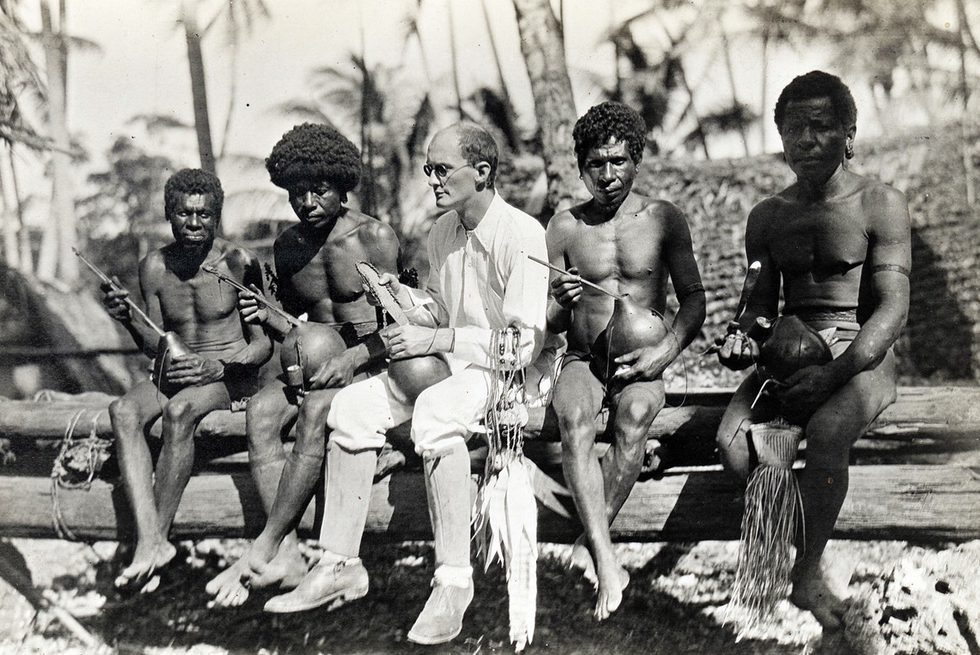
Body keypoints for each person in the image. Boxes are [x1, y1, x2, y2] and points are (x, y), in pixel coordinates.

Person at [261, 122, 549, 645]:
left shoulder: (523, 234)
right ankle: (339, 563)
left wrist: (434, 339)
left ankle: (453, 582)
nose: (432, 180)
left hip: (508, 378)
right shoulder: (443, 232)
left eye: (442, 170)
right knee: (347, 409)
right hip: (454, 366)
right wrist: (402, 298)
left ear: (482, 172)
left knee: (435, 411)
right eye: (428, 169)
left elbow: (522, 346)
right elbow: (437, 308)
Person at [715, 70, 911, 629]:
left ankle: (806, 572)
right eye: (792, 129)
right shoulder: (768, 216)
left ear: (849, 134)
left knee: (825, 432)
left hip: (862, 351)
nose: (805, 140)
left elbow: (892, 310)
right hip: (791, 348)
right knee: (731, 444)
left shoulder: (881, 203)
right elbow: (757, 308)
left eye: (821, 127)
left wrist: (833, 375)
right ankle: (787, 546)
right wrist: (742, 340)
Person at [205, 123, 399, 608]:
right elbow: (291, 328)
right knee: (260, 413)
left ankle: (265, 544)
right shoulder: (288, 247)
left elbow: (403, 326)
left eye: (320, 189)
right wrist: (263, 314)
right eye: (297, 193)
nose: (308, 202)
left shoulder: (374, 237)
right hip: (313, 364)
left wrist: (354, 358)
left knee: (315, 411)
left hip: (368, 363)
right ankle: (288, 556)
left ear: (343, 186)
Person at [546, 101, 706, 620]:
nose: (608, 175)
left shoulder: (662, 219)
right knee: (574, 420)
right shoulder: (565, 227)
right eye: (595, 164)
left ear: (636, 160)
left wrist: (664, 353)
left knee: (635, 416)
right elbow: (550, 321)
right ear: (580, 168)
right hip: (582, 360)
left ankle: (588, 544)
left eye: (618, 161)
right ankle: (607, 560)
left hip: (645, 357)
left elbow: (694, 300)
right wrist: (560, 301)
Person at [104, 168, 272, 591]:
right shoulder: (154, 267)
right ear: (169, 214)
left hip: (228, 376)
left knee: (180, 410)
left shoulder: (238, 263)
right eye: (184, 214)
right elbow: (155, 344)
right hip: (176, 373)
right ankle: (151, 541)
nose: (194, 224)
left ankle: (154, 541)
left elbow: (263, 345)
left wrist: (220, 367)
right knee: (122, 410)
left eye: (204, 215)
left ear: (217, 216)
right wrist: (127, 319)